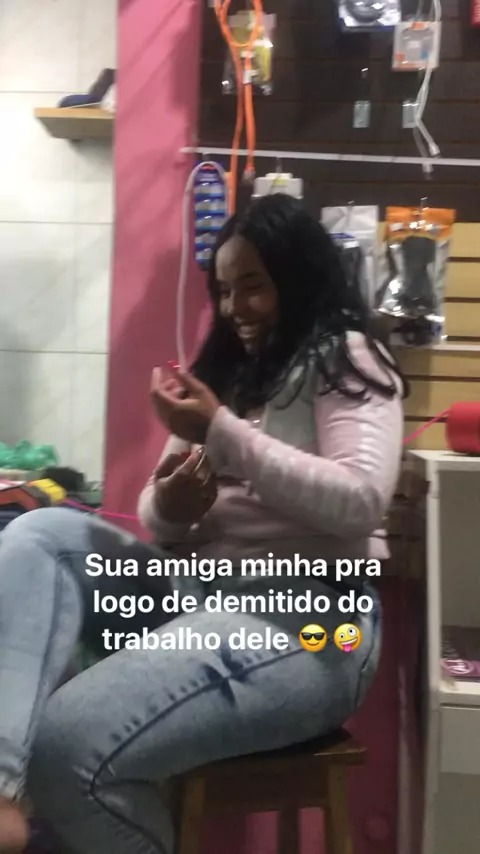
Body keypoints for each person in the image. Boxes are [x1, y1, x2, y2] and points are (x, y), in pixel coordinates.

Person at [0, 194, 405, 854]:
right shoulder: (228, 375)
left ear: (297, 276)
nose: (234, 306)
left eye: (253, 285)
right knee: (40, 535)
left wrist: (220, 431)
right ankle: (0, 791)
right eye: (223, 290)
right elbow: (156, 516)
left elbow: (360, 501)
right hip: (198, 593)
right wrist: (174, 505)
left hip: (312, 616)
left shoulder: (348, 357)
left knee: (68, 742)